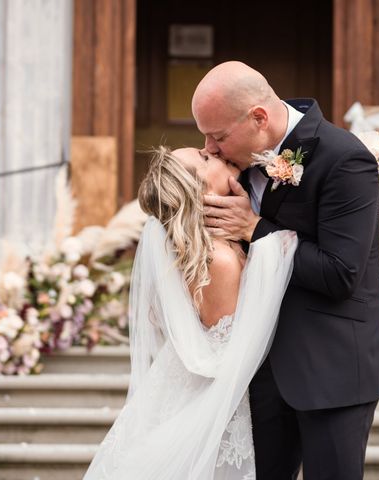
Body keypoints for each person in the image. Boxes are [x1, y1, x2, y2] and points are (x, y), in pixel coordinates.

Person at [194, 61, 379, 480]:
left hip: (333, 369)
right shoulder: (236, 163)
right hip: (261, 370)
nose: (210, 148)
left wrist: (256, 229)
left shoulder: (344, 159)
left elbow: (340, 273)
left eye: (217, 135)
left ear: (259, 118)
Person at [83, 146, 297, 479]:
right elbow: (227, 351)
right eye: (205, 157)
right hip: (219, 410)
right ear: (201, 191)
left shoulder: (219, 248)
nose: (213, 149)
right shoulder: (218, 260)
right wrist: (279, 248)